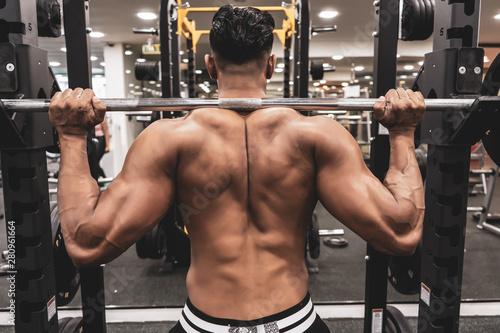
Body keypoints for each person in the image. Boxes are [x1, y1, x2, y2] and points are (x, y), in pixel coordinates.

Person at [48, 5, 425, 333]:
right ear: (272, 63)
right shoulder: (320, 135)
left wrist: (70, 135)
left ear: (211, 65)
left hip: (205, 325)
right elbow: (401, 234)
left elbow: (85, 243)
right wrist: (403, 133)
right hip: (294, 323)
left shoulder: (169, 139)